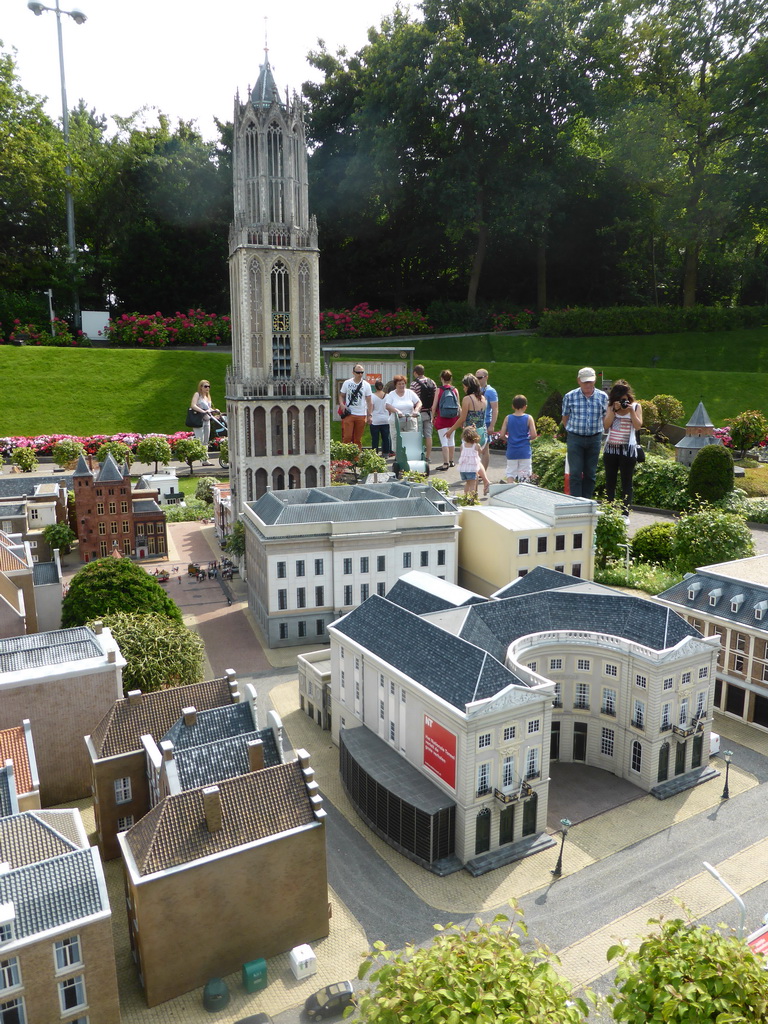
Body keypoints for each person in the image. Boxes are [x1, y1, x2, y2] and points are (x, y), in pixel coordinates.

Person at [561, 367, 608, 499]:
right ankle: (575, 502)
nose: (588, 384)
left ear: (595, 381)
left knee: (590, 473)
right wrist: (571, 431)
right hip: (575, 438)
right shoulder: (570, 396)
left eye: (590, 381)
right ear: (578, 381)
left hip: (595, 438)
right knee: (575, 472)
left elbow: (606, 417)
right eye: (585, 382)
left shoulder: (603, 397)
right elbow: (565, 417)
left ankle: (587, 501)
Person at [603, 379, 643, 519]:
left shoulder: (636, 407)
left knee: (627, 482)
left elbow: (638, 426)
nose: (623, 402)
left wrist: (631, 411)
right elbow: (606, 425)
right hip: (611, 449)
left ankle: (625, 513)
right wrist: (614, 410)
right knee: (610, 481)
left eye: (625, 399)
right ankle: (609, 510)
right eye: (620, 400)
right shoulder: (611, 406)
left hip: (628, 449)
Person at [501, 395, 537, 482]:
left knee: (510, 472)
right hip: (524, 450)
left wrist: (508, 439)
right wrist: (528, 438)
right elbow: (534, 435)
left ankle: (510, 489)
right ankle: (522, 493)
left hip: (512, 450)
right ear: (525, 407)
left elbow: (502, 435)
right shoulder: (528, 418)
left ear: (513, 406)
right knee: (524, 474)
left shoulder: (508, 418)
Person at [432, 369, 461, 470]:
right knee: (451, 440)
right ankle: (452, 461)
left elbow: (434, 405)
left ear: (441, 378)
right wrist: (460, 419)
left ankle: (445, 463)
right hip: (453, 418)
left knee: (444, 441)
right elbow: (458, 406)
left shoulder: (439, 390)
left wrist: (432, 417)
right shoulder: (455, 390)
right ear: (451, 378)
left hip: (442, 418)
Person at [339, 364, 373, 448]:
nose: (360, 374)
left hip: (361, 414)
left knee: (357, 439)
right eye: (358, 372)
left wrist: (370, 415)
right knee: (347, 437)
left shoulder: (366, 385)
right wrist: (342, 404)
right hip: (349, 413)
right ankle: (345, 458)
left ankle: (357, 458)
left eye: (362, 372)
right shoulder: (347, 383)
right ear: (353, 373)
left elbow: (369, 401)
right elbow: (341, 395)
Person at [454, 373, 488, 451]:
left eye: (464, 387)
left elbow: (462, 418)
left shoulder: (467, 399)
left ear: (468, 387)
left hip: (470, 435)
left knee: (467, 458)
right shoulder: (483, 398)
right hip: (482, 433)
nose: (463, 389)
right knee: (476, 458)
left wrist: (451, 430)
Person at [410, 364, 437, 461]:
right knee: (428, 436)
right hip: (429, 413)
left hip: (419, 413)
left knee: (418, 435)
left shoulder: (414, 384)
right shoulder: (432, 382)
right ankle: (428, 456)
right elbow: (435, 397)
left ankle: (418, 455)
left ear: (415, 373)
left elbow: (412, 400)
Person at [190, 379, 219, 466]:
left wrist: (214, 410)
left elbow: (208, 409)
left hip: (207, 420)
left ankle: (205, 460)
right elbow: (193, 405)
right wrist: (202, 411)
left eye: (208, 386)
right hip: (199, 420)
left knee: (206, 441)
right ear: (201, 387)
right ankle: (202, 458)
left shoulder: (207, 397)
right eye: (205, 386)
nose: (207, 388)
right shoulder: (197, 395)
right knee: (200, 440)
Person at [475, 368, 499, 472]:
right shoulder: (475, 390)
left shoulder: (491, 391)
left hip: (487, 421)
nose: (478, 380)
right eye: (476, 378)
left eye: (480, 378)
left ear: (486, 377)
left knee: (485, 449)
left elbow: (495, 409)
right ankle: (476, 470)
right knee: (475, 448)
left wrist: (492, 425)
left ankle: (483, 472)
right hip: (476, 422)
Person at [457, 425, 490, 496]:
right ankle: (472, 498)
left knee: (467, 483)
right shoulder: (476, 445)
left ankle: (465, 497)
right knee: (473, 484)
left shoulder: (462, 445)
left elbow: (462, 453)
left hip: (464, 468)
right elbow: (481, 452)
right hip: (472, 469)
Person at [370, 379, 393, 457]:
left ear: (375, 387)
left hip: (375, 420)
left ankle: (374, 453)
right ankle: (386, 453)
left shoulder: (372, 396)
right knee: (386, 438)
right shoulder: (388, 396)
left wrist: (369, 416)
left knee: (375, 438)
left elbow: (371, 407)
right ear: (383, 387)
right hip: (386, 419)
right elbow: (390, 408)